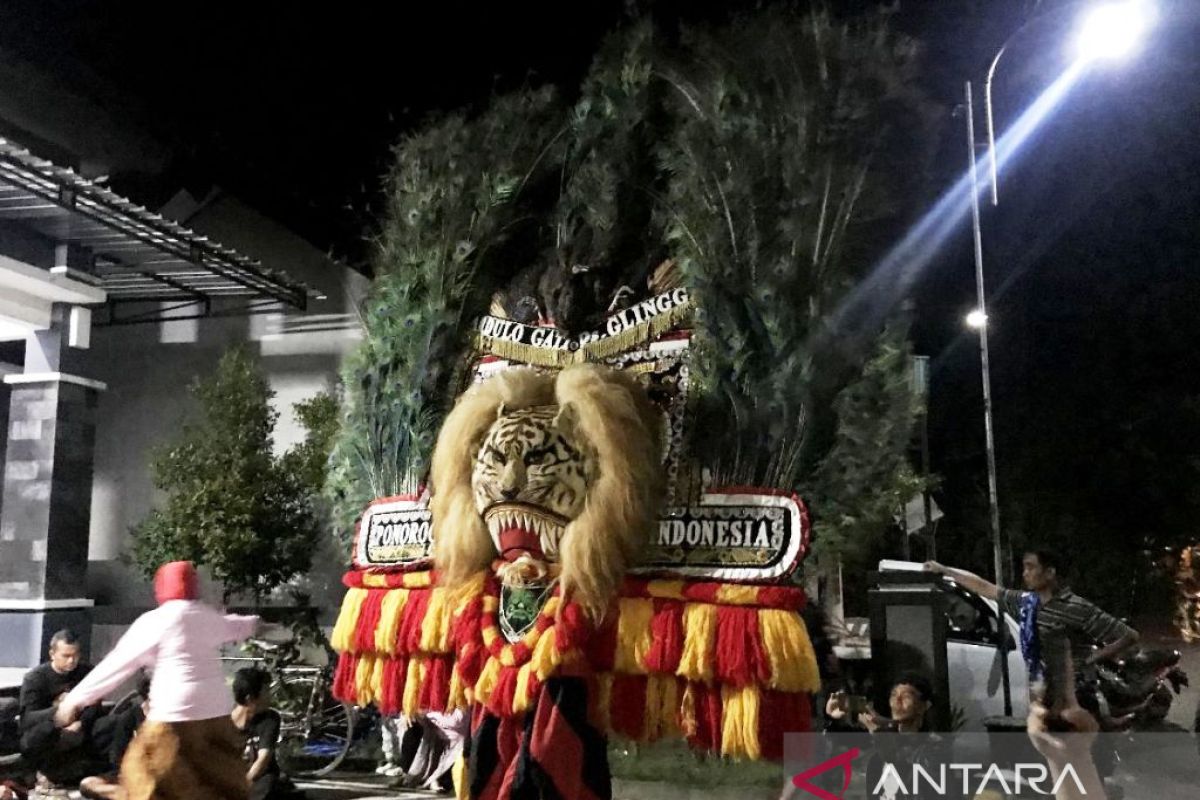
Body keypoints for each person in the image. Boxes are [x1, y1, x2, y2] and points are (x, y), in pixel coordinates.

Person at [54, 561, 260, 800]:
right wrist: (260, 624)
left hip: (173, 715)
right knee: (217, 784)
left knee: (140, 779)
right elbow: (238, 625)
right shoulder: (207, 615)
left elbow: (117, 664)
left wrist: (73, 702)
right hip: (216, 715)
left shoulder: (156, 620)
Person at [924, 550, 1139, 714]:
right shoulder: (1027, 603)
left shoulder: (1076, 607)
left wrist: (1089, 659)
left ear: (1050, 572)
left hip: (1074, 696)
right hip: (1045, 696)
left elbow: (1130, 636)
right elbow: (985, 587)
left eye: (1031, 568)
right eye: (1024, 568)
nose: (1025, 573)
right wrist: (945, 570)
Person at [18, 630, 141, 791]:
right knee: (40, 733)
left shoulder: (85, 672)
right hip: (48, 731)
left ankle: (115, 771)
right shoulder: (35, 678)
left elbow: (94, 705)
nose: (72, 661)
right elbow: (28, 719)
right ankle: (44, 772)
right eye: (66, 656)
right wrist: (59, 712)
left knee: (119, 721)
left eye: (75, 655)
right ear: (52, 654)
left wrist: (81, 722)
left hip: (83, 728)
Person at [230, 668, 304, 800]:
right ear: (250, 699)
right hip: (233, 775)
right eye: (266, 691)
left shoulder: (270, 719)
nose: (270, 696)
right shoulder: (224, 722)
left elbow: (263, 759)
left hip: (259, 776)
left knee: (265, 788)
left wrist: (244, 784)